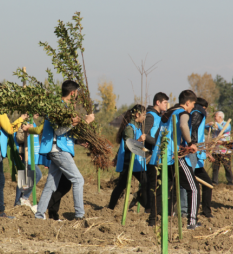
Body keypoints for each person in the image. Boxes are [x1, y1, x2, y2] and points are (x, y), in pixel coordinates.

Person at [32, 80, 94, 220]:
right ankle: (79, 216)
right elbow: (59, 132)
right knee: (78, 180)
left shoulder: (64, 107)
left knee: (51, 184)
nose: (77, 96)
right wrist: (84, 122)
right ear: (73, 93)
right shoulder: (58, 108)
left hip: (57, 149)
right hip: (59, 151)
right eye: (77, 93)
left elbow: (65, 133)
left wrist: (78, 141)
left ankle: (39, 214)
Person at [151, 90, 200, 229]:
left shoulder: (169, 112)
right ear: (188, 102)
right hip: (173, 157)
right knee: (194, 188)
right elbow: (183, 125)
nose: (192, 108)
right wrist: (190, 144)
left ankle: (153, 220)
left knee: (162, 189)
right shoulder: (182, 112)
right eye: (193, 105)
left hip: (161, 156)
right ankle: (192, 222)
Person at [108, 104, 147, 210]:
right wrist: (139, 141)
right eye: (144, 114)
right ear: (137, 114)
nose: (145, 117)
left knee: (145, 182)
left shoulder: (138, 127)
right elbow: (126, 145)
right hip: (129, 162)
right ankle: (110, 208)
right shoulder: (129, 128)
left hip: (137, 161)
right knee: (121, 185)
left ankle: (144, 203)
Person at [137, 92, 168, 227]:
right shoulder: (151, 116)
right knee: (152, 184)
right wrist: (156, 143)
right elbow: (145, 135)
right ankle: (148, 208)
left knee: (154, 184)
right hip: (150, 154)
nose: (167, 105)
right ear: (158, 103)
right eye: (165, 102)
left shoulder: (159, 116)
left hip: (156, 152)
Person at [183, 97, 213, 218]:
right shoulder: (198, 113)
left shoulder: (197, 113)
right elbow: (193, 131)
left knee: (207, 183)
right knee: (190, 185)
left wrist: (204, 152)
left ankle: (206, 211)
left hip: (197, 154)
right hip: (192, 153)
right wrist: (192, 146)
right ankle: (186, 212)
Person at [14, 113, 49, 212]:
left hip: (33, 156)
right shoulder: (24, 122)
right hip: (26, 155)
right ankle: (24, 198)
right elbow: (19, 138)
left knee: (24, 179)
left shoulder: (32, 122)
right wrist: (27, 131)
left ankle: (17, 203)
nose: (38, 114)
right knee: (37, 175)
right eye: (36, 111)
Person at [206, 111, 233, 185]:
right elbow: (205, 127)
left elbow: (224, 130)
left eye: (215, 116)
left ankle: (230, 182)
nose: (214, 118)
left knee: (227, 167)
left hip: (225, 150)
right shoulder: (214, 125)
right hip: (215, 149)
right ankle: (214, 181)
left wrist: (216, 124)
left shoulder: (227, 124)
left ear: (220, 117)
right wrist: (209, 124)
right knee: (215, 167)